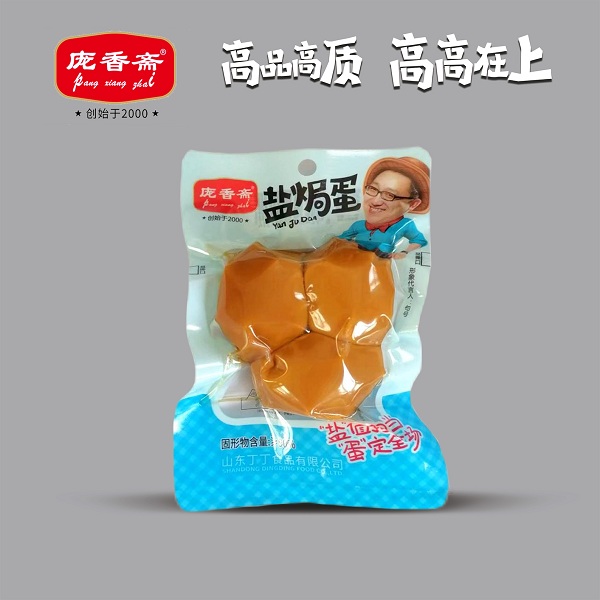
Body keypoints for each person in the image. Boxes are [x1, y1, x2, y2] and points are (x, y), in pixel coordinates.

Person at [339, 156, 429, 259]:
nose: (375, 202)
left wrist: (404, 252)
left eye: (390, 195)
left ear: (413, 204)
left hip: (380, 264)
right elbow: (340, 239)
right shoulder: (358, 225)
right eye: (373, 189)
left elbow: (419, 240)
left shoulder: (405, 225)